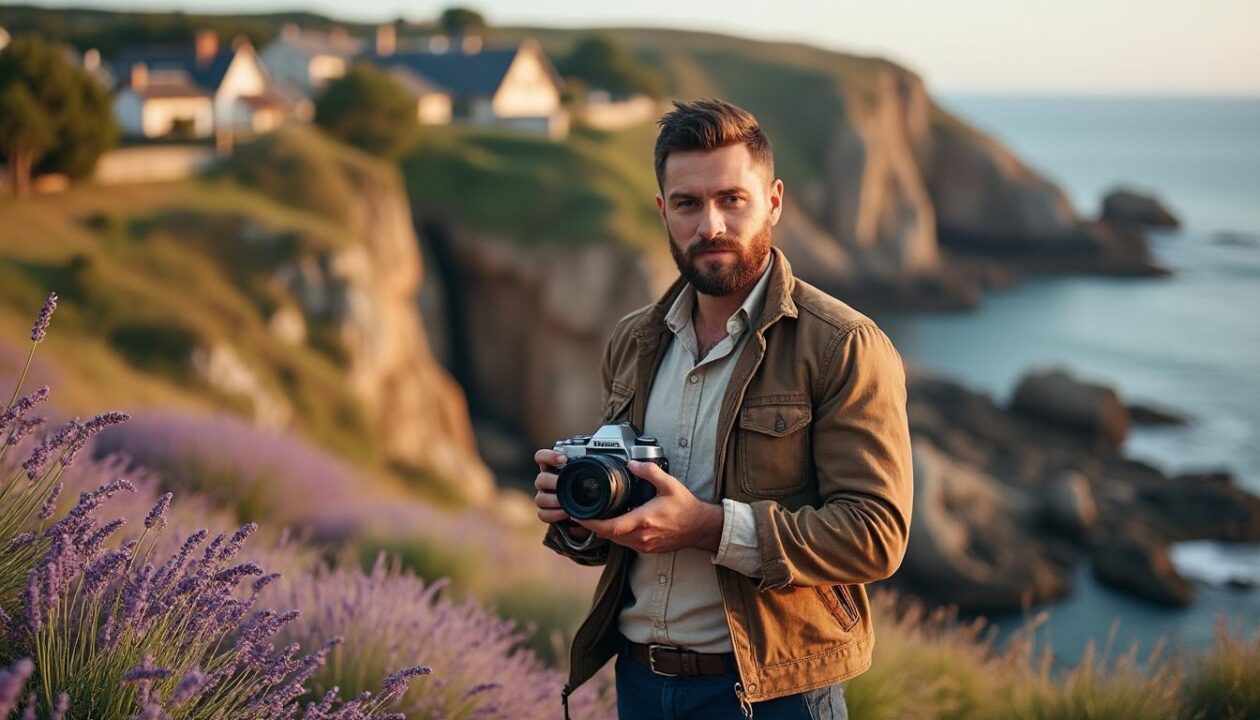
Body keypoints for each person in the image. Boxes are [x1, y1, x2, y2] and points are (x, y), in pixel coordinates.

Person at [534, 98, 913, 720]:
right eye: (687, 203)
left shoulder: (842, 344)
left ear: (774, 201)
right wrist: (577, 516)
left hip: (773, 693)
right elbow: (628, 531)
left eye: (732, 199)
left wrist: (708, 527)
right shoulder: (632, 340)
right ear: (663, 211)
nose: (710, 225)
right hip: (639, 683)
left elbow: (876, 536)